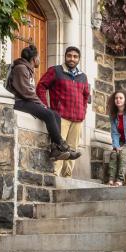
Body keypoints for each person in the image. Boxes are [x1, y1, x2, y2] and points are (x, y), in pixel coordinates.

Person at [6, 45, 79, 162]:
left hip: (26, 101)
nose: (39, 60)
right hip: (19, 102)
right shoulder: (21, 68)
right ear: (33, 59)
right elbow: (26, 92)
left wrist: (41, 105)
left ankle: (55, 150)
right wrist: (41, 104)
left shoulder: (27, 69)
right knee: (49, 114)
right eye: (38, 57)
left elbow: (28, 92)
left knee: (55, 114)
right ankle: (62, 145)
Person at [36, 46, 91, 178]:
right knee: (61, 149)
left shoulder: (83, 76)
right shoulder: (55, 71)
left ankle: (67, 177)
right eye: (69, 56)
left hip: (77, 118)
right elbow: (41, 87)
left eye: (75, 56)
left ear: (79, 59)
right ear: (65, 56)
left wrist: (83, 112)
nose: (72, 59)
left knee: (73, 149)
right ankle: (55, 175)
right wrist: (45, 106)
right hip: (61, 117)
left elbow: (86, 96)